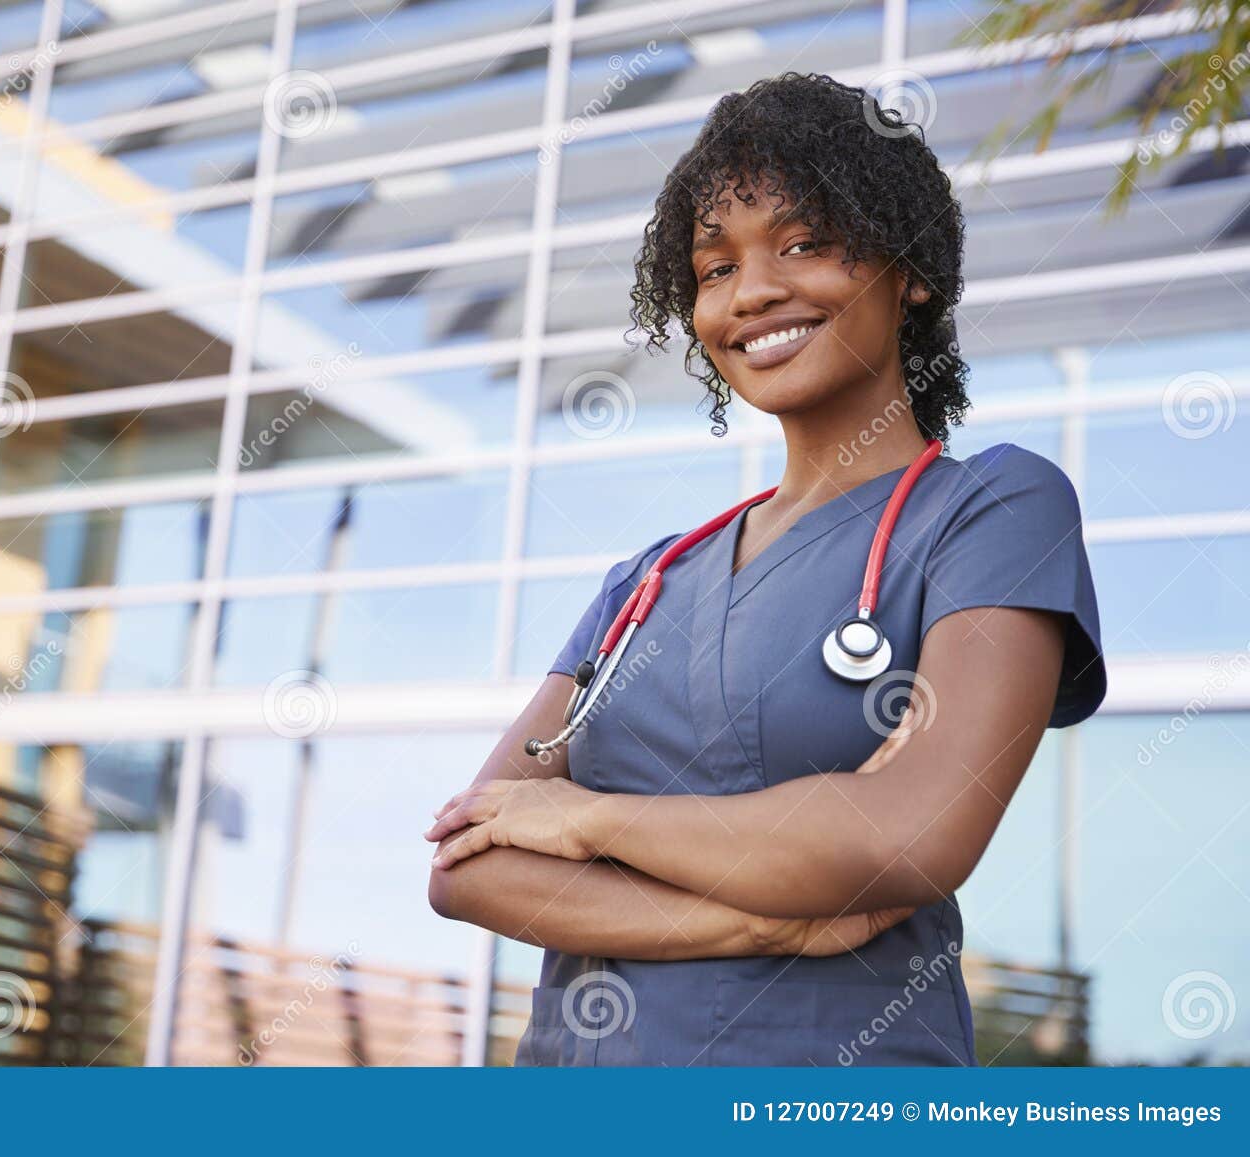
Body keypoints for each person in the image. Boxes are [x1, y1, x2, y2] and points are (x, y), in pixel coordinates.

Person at [424, 71, 1107, 1067]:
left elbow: (909, 833)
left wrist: (584, 818)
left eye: (801, 244)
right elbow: (468, 865)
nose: (750, 292)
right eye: (712, 269)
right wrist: (767, 921)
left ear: (907, 268)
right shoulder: (646, 580)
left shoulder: (993, 509)